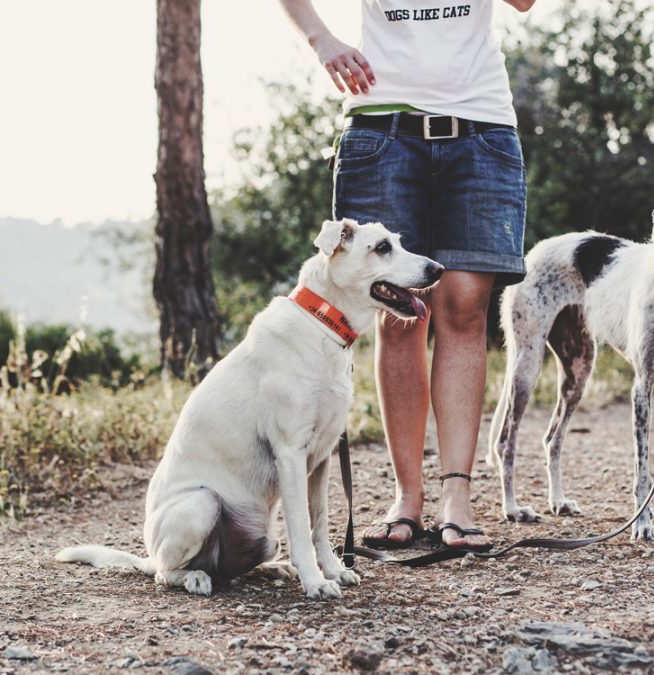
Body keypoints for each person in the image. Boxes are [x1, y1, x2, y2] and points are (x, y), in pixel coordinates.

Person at [279, 0, 534, 550]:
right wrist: (320, 39)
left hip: (481, 128)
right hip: (383, 131)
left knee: (465, 306)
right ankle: (408, 497)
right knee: (399, 315)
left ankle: (458, 497)